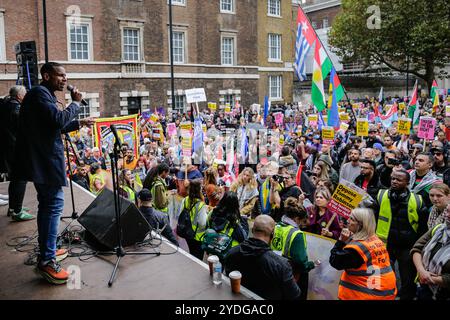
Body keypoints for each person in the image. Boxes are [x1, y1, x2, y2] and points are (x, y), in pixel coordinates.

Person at [13, 62, 94, 284]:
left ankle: (48, 250)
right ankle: (47, 261)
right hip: (45, 162)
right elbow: (57, 120)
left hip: (43, 161)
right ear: (47, 75)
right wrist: (76, 104)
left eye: (66, 75)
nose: (65, 79)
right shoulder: (40, 94)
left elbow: (52, 125)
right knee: (52, 206)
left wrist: (78, 122)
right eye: (60, 75)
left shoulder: (42, 95)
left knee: (49, 206)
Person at [373, 170, 429, 300]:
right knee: (383, 278)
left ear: (407, 183)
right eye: (393, 179)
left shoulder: (417, 200)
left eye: (398, 180)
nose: (394, 182)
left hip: (407, 247)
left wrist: (418, 248)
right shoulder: (381, 195)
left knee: (408, 281)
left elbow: (422, 228)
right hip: (385, 245)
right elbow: (372, 218)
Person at [224, 215, 301, 300]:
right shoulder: (281, 265)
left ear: (252, 230)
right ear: (273, 234)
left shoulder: (232, 253)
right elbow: (294, 295)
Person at [329, 208, 397, 300]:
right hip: (384, 292)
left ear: (361, 224)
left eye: (352, 219)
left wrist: (341, 241)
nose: (348, 221)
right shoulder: (376, 240)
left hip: (366, 294)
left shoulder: (357, 249)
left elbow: (335, 261)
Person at [0, 85, 34, 220]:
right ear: (19, 96)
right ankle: (17, 211)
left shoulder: (6, 103)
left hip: (8, 148)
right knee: (21, 178)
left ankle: (13, 207)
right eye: (25, 94)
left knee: (15, 179)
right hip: (15, 149)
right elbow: (25, 128)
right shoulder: (16, 108)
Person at [270, 197, 315, 300]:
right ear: (297, 219)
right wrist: (311, 264)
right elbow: (301, 262)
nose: (301, 224)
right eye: (301, 221)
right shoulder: (297, 234)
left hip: (273, 269)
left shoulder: (275, 226)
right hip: (289, 276)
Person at [411, 203, 450, 300]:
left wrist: (430, 279)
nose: (447, 215)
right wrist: (421, 271)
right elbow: (416, 248)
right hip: (425, 288)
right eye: (447, 211)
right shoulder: (439, 228)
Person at [178, 180, 208, 260]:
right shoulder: (200, 205)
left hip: (187, 233)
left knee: (192, 253)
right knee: (198, 257)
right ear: (199, 190)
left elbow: (180, 214)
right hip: (197, 236)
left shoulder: (185, 200)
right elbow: (202, 223)